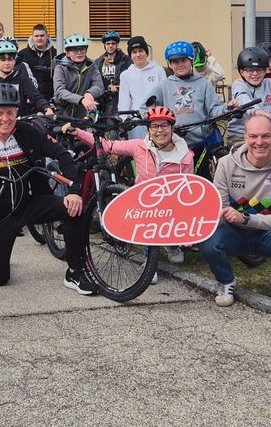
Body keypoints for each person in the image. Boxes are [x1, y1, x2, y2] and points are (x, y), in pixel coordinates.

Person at [0, 82, 96, 294]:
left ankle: (76, 271)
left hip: (28, 203)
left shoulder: (27, 132)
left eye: (10, 113)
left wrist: (74, 191)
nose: (5, 119)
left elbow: (62, 154)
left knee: (75, 208)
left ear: (17, 112)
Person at [198, 113, 271, 307]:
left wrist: (246, 219)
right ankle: (225, 281)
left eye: (265, 136)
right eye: (253, 136)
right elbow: (220, 210)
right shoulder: (226, 164)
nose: (259, 142)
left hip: (269, 234)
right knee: (205, 240)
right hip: (233, 232)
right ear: (245, 137)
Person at [69, 105, 193, 265]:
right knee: (146, 218)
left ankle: (172, 245)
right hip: (144, 202)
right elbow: (108, 145)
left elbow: (189, 189)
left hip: (171, 203)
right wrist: (78, 132)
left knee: (171, 213)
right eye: (154, 126)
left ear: (172, 128)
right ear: (148, 129)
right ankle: (149, 260)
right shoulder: (139, 146)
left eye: (165, 125)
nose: (159, 131)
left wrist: (188, 227)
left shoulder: (186, 156)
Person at [145, 41, 230, 152]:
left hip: (202, 141)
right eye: (175, 61)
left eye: (184, 60)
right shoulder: (164, 85)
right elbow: (146, 107)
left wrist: (227, 107)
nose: (180, 64)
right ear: (170, 64)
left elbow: (213, 110)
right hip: (173, 142)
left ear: (192, 61)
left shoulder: (204, 84)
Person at [117, 36, 166, 138]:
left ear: (146, 53)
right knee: (139, 150)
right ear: (130, 55)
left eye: (141, 51)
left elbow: (165, 95)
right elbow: (124, 99)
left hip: (156, 118)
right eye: (134, 52)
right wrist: (123, 119)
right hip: (136, 120)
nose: (138, 55)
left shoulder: (158, 70)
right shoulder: (126, 75)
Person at [0, 40, 50, 116]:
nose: (7, 63)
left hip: (19, 122)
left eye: (10, 59)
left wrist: (46, 108)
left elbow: (36, 96)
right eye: (3, 60)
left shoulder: (23, 80)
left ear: (15, 61)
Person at [52, 34, 104, 120]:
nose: (79, 52)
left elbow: (99, 86)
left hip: (83, 113)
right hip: (63, 112)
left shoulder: (91, 65)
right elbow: (59, 91)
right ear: (67, 53)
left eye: (82, 49)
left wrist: (89, 93)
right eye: (74, 50)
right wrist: (81, 99)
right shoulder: (60, 67)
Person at [93, 31, 130, 117]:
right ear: (104, 45)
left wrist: (119, 87)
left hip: (119, 100)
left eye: (113, 43)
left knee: (115, 128)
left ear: (117, 45)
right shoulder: (98, 62)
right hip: (102, 101)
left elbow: (131, 79)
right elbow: (94, 80)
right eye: (108, 43)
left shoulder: (126, 61)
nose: (110, 46)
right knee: (100, 128)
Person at [18, 24, 57, 100]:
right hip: (29, 99)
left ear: (47, 37)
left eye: (42, 35)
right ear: (32, 37)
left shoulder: (56, 54)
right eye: (36, 36)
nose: (39, 38)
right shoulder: (22, 54)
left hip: (51, 98)